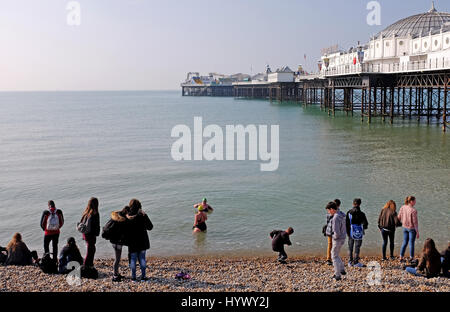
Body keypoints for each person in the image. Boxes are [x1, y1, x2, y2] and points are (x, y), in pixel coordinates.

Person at [125, 199, 153, 282]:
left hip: (132, 242)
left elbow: (124, 230)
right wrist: (145, 215)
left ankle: (133, 278)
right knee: (142, 259)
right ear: (139, 206)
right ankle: (143, 277)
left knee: (133, 259)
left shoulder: (128, 216)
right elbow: (150, 227)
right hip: (142, 241)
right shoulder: (142, 215)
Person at [102, 206, 130, 282]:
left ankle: (117, 273)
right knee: (117, 259)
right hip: (118, 242)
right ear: (127, 212)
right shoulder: (123, 220)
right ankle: (115, 276)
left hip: (113, 241)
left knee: (117, 258)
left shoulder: (114, 217)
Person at [327, 201, 347, 281]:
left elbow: (336, 232)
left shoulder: (335, 217)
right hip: (343, 237)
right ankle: (342, 269)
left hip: (338, 239)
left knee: (334, 256)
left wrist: (333, 237)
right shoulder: (342, 214)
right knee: (336, 254)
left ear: (332, 209)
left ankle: (337, 274)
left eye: (328, 210)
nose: (328, 212)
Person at [346, 198, 368, 267]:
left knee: (350, 247)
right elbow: (366, 224)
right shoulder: (362, 214)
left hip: (350, 232)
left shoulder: (349, 212)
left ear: (353, 204)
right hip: (359, 233)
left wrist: (348, 233)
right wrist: (361, 227)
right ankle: (355, 262)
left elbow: (346, 224)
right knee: (357, 247)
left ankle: (350, 262)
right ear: (360, 204)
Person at [79, 197, 100, 268]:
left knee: (91, 249)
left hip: (85, 233)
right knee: (91, 250)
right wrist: (97, 234)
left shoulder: (86, 212)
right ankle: (87, 265)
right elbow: (96, 225)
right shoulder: (95, 213)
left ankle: (89, 264)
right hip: (91, 234)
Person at [398, 196, 419, 262]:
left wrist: (403, 221)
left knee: (404, 242)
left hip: (404, 227)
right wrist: (417, 231)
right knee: (411, 243)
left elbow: (398, 217)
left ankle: (401, 256)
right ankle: (411, 258)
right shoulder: (413, 210)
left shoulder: (403, 207)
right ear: (411, 201)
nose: (415, 202)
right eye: (415, 201)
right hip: (411, 228)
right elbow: (415, 222)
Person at [323, 199, 341, 265]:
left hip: (329, 231)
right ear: (339, 205)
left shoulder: (329, 213)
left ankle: (328, 259)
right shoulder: (339, 213)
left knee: (330, 244)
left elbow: (327, 222)